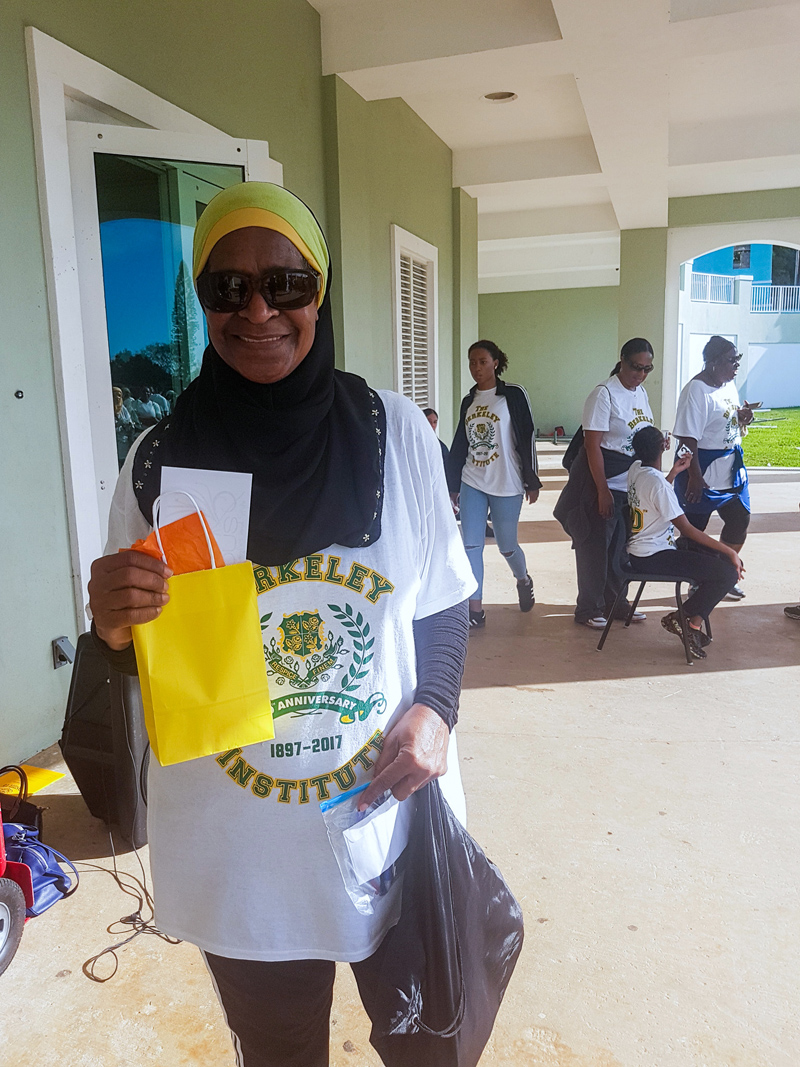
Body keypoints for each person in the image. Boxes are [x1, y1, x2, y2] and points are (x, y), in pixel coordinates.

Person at [87, 181, 477, 1067]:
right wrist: (113, 628)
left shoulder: (395, 433)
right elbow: (143, 657)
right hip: (241, 853)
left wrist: (437, 706)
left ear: (320, 292)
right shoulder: (158, 462)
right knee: (280, 1054)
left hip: (386, 822)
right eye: (228, 288)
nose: (258, 310)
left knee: (429, 1045)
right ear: (204, 302)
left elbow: (443, 597)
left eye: (286, 284)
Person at [554, 339, 656, 629]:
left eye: (647, 369)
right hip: (602, 482)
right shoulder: (604, 394)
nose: (641, 374)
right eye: (636, 367)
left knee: (621, 548)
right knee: (595, 548)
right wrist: (602, 490)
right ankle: (589, 608)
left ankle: (616, 603)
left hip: (629, 484)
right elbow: (592, 446)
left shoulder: (640, 393)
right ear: (622, 360)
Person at [447, 340, 541, 628]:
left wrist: (532, 479)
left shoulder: (513, 394)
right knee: (471, 545)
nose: (476, 368)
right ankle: (475, 610)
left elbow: (527, 434)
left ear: (495, 363)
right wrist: (453, 484)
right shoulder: (469, 401)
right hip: (473, 479)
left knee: (506, 545)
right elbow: (461, 441)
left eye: (482, 362)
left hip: (507, 480)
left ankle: (523, 579)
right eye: (472, 362)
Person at [627, 426, 743, 659]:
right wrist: (730, 551)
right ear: (664, 446)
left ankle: (691, 623)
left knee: (717, 563)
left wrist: (674, 473)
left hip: (641, 551)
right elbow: (688, 530)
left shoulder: (636, 469)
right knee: (727, 573)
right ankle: (685, 620)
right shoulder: (657, 483)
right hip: (654, 556)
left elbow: (655, 492)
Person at [673, 335, 754, 601]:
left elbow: (725, 417)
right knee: (696, 528)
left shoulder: (728, 385)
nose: (736, 366)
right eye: (732, 360)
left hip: (731, 468)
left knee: (739, 520)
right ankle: (698, 581)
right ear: (713, 362)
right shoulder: (696, 391)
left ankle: (722, 573)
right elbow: (687, 439)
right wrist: (694, 477)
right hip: (702, 467)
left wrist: (742, 417)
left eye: (737, 360)